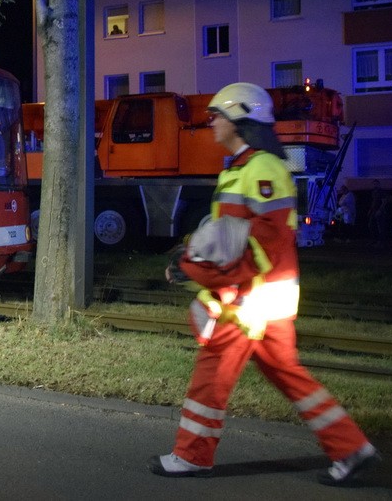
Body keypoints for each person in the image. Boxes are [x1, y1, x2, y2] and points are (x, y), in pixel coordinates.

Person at [149, 82, 379, 486]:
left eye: (217, 115)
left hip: (247, 301)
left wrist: (202, 273)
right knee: (288, 375)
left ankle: (191, 456)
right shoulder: (244, 167)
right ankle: (350, 448)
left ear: (240, 120)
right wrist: (191, 253)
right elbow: (228, 234)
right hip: (261, 298)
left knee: (212, 371)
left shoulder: (262, 169)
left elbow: (264, 243)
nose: (212, 122)